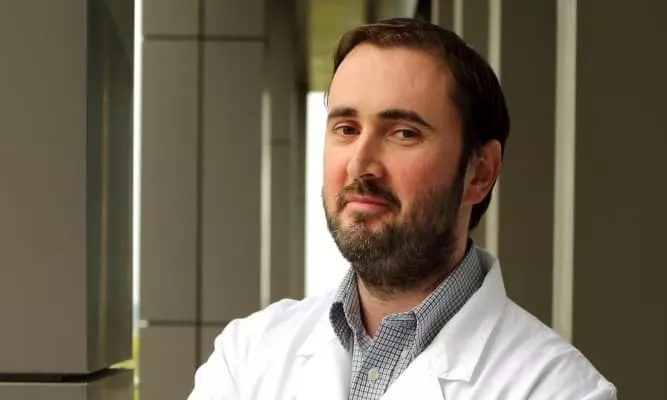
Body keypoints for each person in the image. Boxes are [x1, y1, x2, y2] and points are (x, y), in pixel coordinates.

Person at [187, 18, 616, 399]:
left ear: (479, 172)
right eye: (346, 128)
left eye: (404, 133)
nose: (360, 164)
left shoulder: (561, 391)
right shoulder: (248, 355)